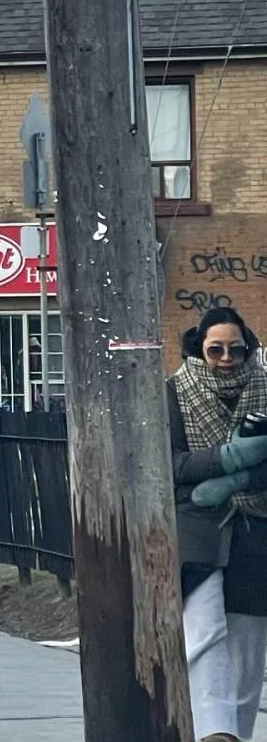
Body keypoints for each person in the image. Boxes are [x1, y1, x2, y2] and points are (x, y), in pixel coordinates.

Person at [169, 305, 267, 742]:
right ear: (199, 348)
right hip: (198, 528)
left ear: (248, 349)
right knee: (204, 631)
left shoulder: (265, 388)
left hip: (255, 528)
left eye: (235, 349)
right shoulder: (174, 392)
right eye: (216, 349)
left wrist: (241, 480)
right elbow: (169, 462)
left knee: (247, 645)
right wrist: (225, 460)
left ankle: (236, 735)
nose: (226, 358)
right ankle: (214, 732)